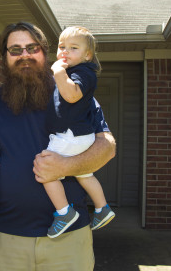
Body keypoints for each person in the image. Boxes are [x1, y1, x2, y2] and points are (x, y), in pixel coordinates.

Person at [0, 22, 116, 271]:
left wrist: (66, 165)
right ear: (4, 57)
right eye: (15, 49)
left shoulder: (73, 93)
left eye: (32, 48)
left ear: (45, 52)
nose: (25, 55)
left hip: (69, 240)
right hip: (6, 238)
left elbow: (107, 147)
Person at [44, 26, 115, 239]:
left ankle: (64, 212)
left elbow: (72, 95)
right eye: (61, 46)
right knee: (84, 173)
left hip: (70, 135)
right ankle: (102, 208)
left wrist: (57, 72)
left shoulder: (83, 72)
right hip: (79, 136)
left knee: (45, 169)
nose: (65, 52)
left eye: (73, 48)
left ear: (87, 55)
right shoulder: (73, 72)